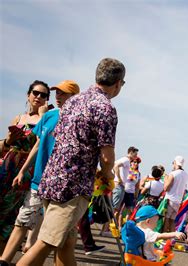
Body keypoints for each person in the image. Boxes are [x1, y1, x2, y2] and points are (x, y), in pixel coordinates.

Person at [17, 58, 125, 266]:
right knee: (46, 242)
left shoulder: (73, 101)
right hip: (72, 187)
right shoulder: (105, 107)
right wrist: (108, 174)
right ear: (118, 83)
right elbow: (107, 157)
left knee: (66, 242)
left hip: (52, 179)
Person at [0, 80, 81, 264]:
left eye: (64, 94)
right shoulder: (49, 115)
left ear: (75, 97)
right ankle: (4, 260)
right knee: (23, 220)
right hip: (36, 179)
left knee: (56, 234)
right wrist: (22, 171)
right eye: (57, 93)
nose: (59, 97)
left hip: (59, 184)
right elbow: (38, 144)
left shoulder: (77, 119)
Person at [0, 80, 50, 252]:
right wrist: (10, 140)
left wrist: (44, 117)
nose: (38, 97)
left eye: (43, 95)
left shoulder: (47, 119)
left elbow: (43, 143)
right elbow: (6, 145)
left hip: (28, 169)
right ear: (28, 95)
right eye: (35, 93)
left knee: (12, 213)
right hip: (8, 165)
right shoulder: (19, 118)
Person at [112, 146, 139, 229]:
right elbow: (115, 166)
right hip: (121, 187)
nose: (136, 156)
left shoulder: (127, 162)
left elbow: (114, 166)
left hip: (122, 187)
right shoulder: (126, 160)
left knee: (117, 209)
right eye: (135, 154)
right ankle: (111, 228)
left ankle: (114, 227)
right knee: (116, 209)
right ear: (131, 152)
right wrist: (119, 179)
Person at [163, 156, 188, 233]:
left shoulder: (173, 173)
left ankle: (164, 238)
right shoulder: (186, 175)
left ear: (175, 162)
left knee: (166, 219)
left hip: (170, 199)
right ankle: (171, 239)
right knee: (173, 221)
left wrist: (165, 179)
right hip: (178, 200)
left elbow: (166, 188)